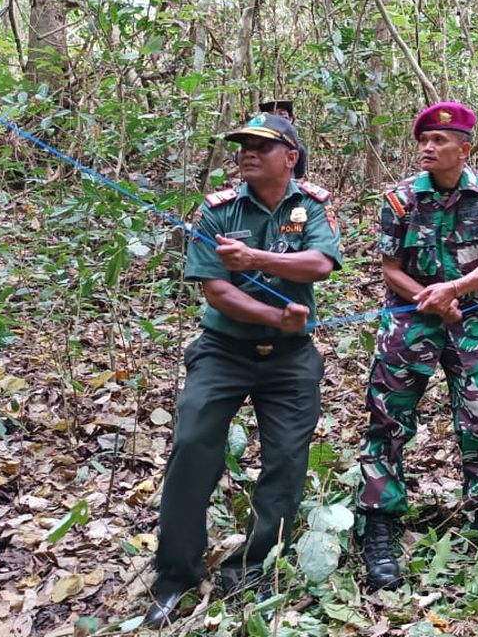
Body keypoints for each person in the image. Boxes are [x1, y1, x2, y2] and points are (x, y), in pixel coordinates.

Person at [145, 113, 342, 627]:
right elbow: (217, 290)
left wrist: (254, 258)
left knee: (286, 461)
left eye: (262, 145)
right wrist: (276, 315)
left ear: (290, 157)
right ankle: (175, 577)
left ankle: (254, 569)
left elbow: (320, 263)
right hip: (223, 351)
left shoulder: (311, 205)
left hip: (291, 359)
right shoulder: (217, 211)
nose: (248, 152)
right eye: (243, 145)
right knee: (192, 446)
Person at [354, 101, 478, 592]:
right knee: (388, 417)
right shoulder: (400, 197)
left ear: (464, 149)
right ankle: (381, 524)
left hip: (472, 323)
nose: (428, 146)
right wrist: (433, 297)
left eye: (440, 140)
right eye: (424, 139)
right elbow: (390, 268)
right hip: (410, 319)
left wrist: (456, 290)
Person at [259, 99, 307, 179]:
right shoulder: (254, 145)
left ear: (290, 119)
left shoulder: (298, 149)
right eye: (272, 115)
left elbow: (298, 179)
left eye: (282, 115)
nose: (277, 119)